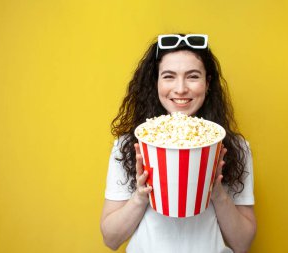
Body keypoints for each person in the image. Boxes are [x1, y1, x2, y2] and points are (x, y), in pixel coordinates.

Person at [100, 34, 257, 253]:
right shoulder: (129, 145)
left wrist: (217, 192)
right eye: (169, 76)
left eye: (193, 76)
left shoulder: (235, 147)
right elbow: (111, 239)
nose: (181, 89)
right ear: (156, 82)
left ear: (207, 83)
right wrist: (141, 195)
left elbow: (242, 244)